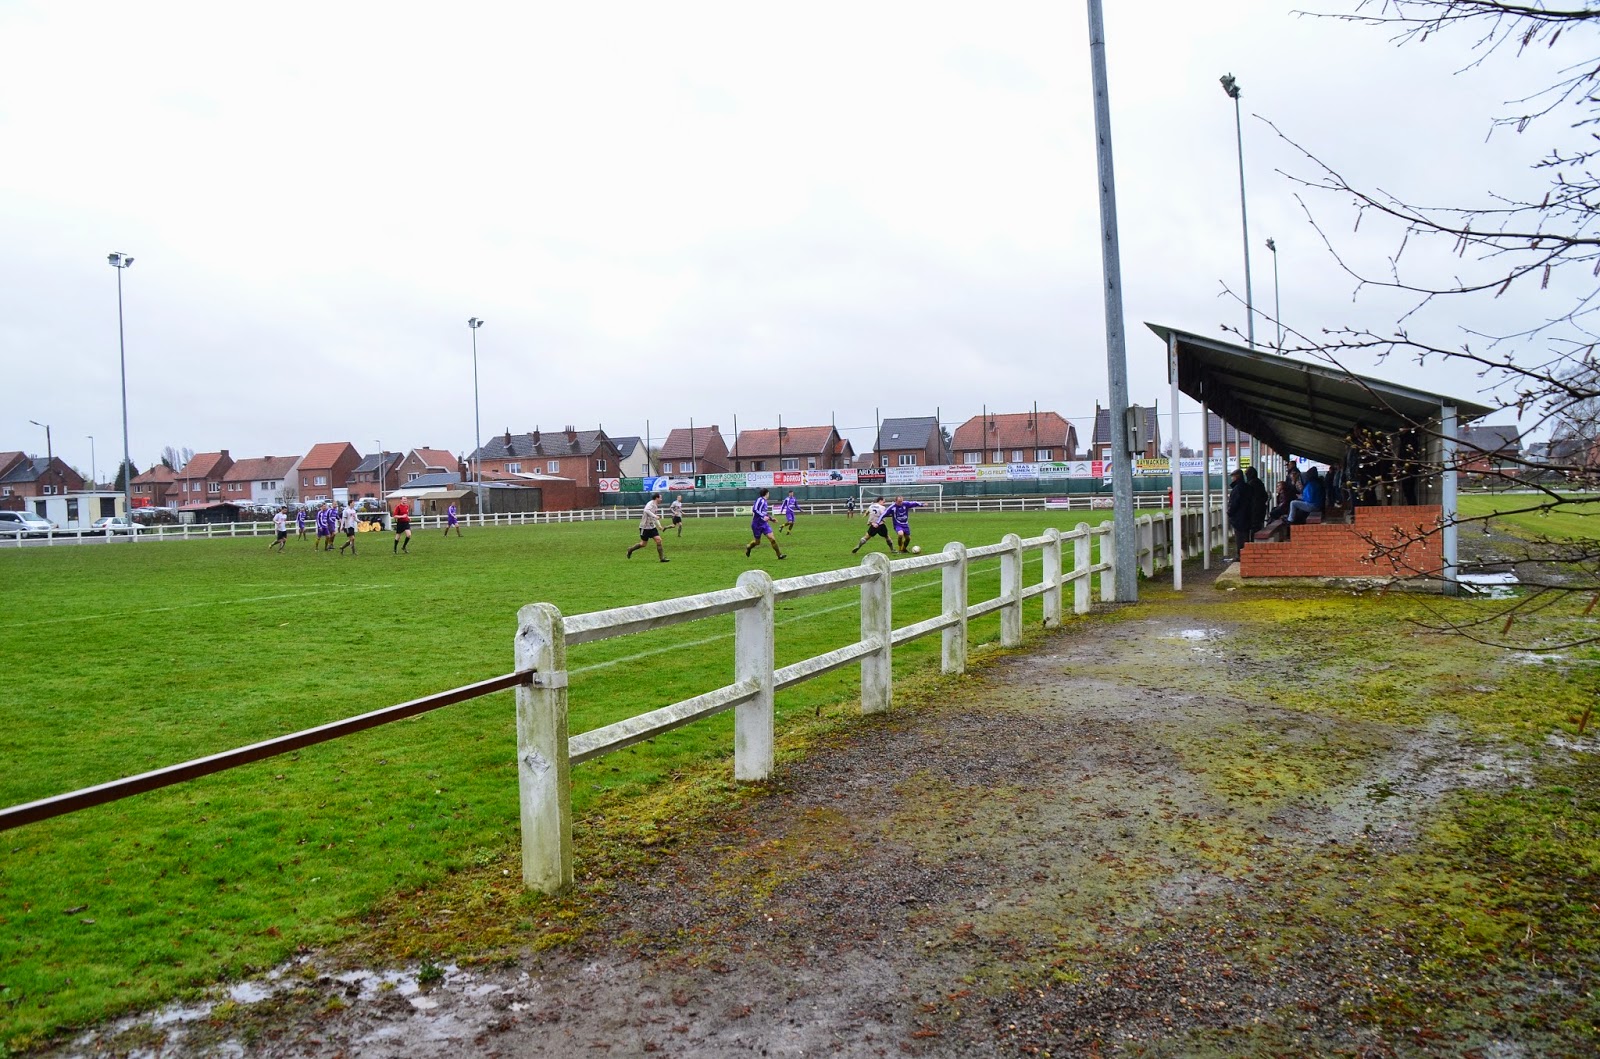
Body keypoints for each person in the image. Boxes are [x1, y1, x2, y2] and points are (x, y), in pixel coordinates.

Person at [744, 487, 786, 559]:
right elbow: (755, 509)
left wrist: (771, 519)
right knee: (757, 542)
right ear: (767, 493)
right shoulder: (759, 500)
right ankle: (749, 547)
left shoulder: (765, 502)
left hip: (764, 524)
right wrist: (763, 516)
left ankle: (779, 555)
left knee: (772, 539)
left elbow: (764, 513)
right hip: (756, 524)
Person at [627, 493, 670, 561]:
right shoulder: (650, 504)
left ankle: (662, 558)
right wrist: (655, 516)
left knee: (659, 540)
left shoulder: (655, 506)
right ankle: (630, 549)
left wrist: (659, 525)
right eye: (660, 498)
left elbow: (654, 517)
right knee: (643, 544)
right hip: (644, 527)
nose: (661, 499)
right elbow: (646, 510)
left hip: (652, 527)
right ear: (657, 498)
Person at [1226, 469, 1250, 560]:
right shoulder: (1246, 487)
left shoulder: (1237, 488)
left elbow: (1234, 503)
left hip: (1239, 517)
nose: (1232, 478)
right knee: (1245, 536)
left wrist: (1229, 512)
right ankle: (1245, 553)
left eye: (1233, 476)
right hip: (1246, 515)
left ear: (1236, 477)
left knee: (1240, 537)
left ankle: (1241, 555)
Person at [1245, 466, 1269, 539]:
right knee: (1259, 526)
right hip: (1261, 509)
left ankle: (1254, 543)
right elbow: (1265, 496)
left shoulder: (1250, 484)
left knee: (1254, 528)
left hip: (1254, 510)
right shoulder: (1259, 482)